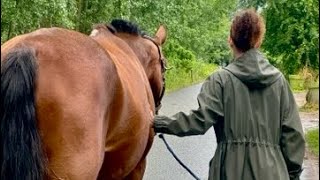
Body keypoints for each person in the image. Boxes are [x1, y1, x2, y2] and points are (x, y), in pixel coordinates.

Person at [153, 8, 305, 180]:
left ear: (230, 40)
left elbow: (198, 121)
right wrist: (292, 174)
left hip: (229, 171)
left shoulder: (220, 80)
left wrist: (158, 122)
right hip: (274, 173)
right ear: (258, 41)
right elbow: (293, 135)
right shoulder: (279, 82)